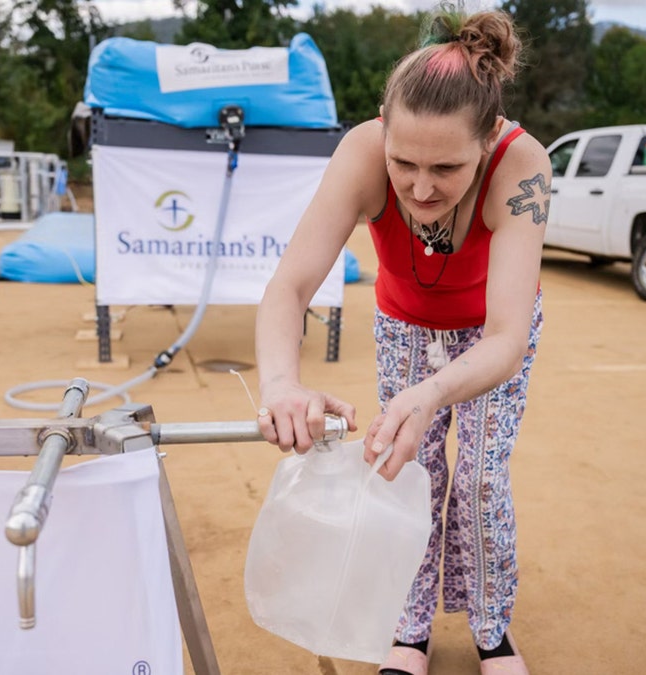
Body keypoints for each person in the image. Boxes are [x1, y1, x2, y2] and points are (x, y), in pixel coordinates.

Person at [254, 6, 548, 675]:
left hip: (489, 330)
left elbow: (505, 338)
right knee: (406, 466)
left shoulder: (523, 165)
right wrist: (279, 383)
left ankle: (492, 629)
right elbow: (288, 289)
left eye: (446, 167)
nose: (420, 187)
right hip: (405, 320)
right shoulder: (361, 151)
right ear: (383, 129)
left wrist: (432, 392)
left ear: (488, 139)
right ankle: (409, 628)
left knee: (478, 477)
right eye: (403, 163)